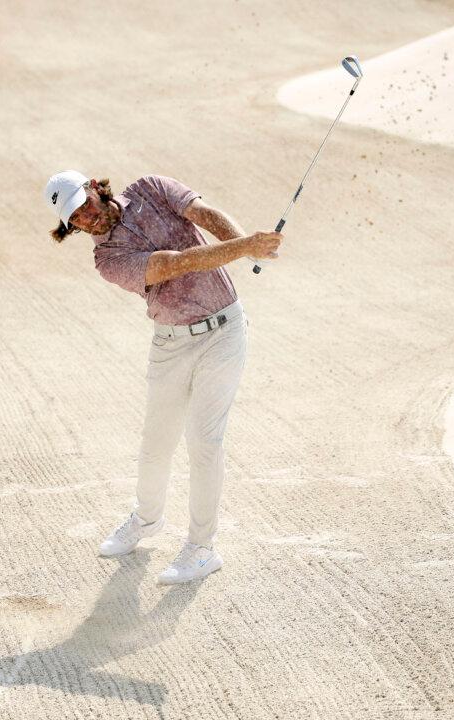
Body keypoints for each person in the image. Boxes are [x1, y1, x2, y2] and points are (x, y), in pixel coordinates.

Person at [43, 170, 281, 584]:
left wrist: (248, 246)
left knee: (204, 440)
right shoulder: (107, 260)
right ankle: (147, 520)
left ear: (97, 189)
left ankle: (202, 549)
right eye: (75, 219)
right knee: (156, 443)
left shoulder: (151, 188)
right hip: (170, 344)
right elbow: (173, 264)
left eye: (85, 206)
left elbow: (204, 215)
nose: (86, 219)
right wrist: (245, 246)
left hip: (224, 332)